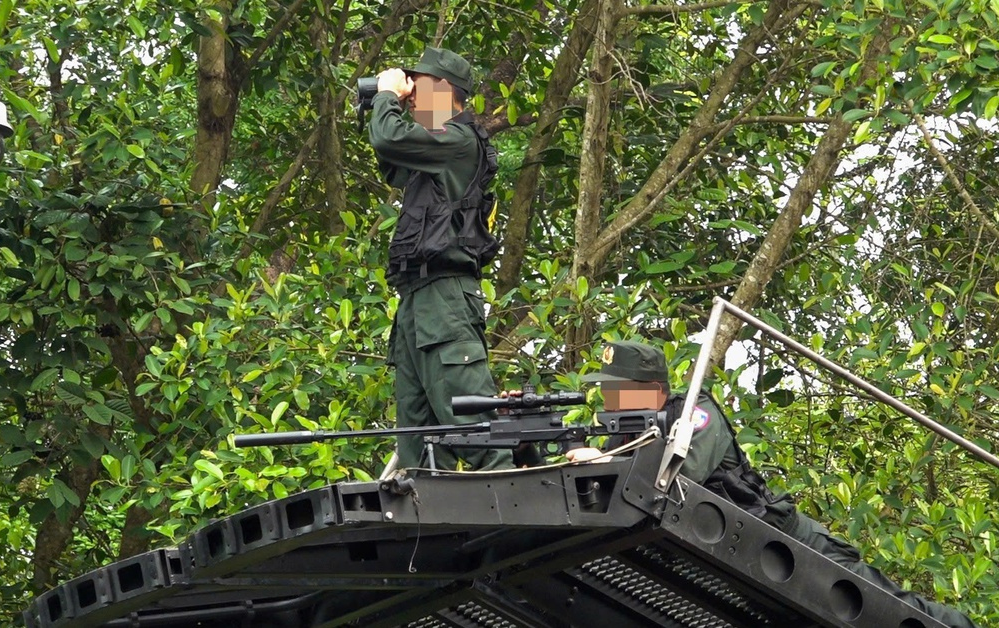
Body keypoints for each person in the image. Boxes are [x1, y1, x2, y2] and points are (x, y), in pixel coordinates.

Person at [567, 341, 978, 628]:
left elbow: (678, 477)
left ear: (649, 390)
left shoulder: (693, 411)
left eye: (614, 389)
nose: (606, 397)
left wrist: (604, 462)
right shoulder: (624, 436)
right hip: (740, 561)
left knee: (888, 611)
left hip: (788, 541)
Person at [368, 47, 511, 471]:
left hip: (445, 301)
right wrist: (381, 103)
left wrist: (386, 96)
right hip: (417, 300)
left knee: (476, 431)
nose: (410, 94)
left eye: (419, 85)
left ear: (445, 88)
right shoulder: (435, 150)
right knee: (420, 448)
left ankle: (518, 501)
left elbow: (389, 137)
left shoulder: (460, 142)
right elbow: (391, 156)